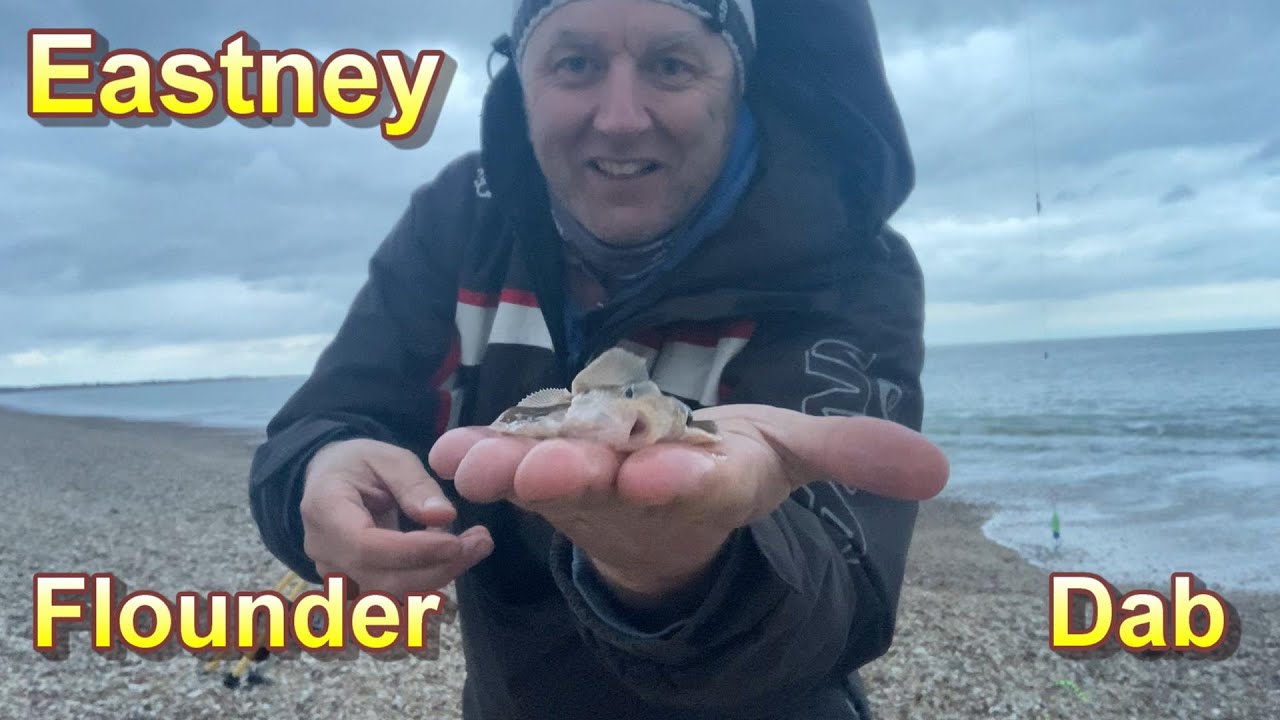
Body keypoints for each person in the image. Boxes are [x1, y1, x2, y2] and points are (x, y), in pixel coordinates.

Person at [249, 0, 947, 717]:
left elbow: (845, 604)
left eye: (671, 65)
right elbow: (332, 416)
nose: (619, 117)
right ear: (520, 79)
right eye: (575, 63)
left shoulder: (849, 270)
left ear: (740, 84)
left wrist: (682, 569)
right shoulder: (462, 217)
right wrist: (326, 470)